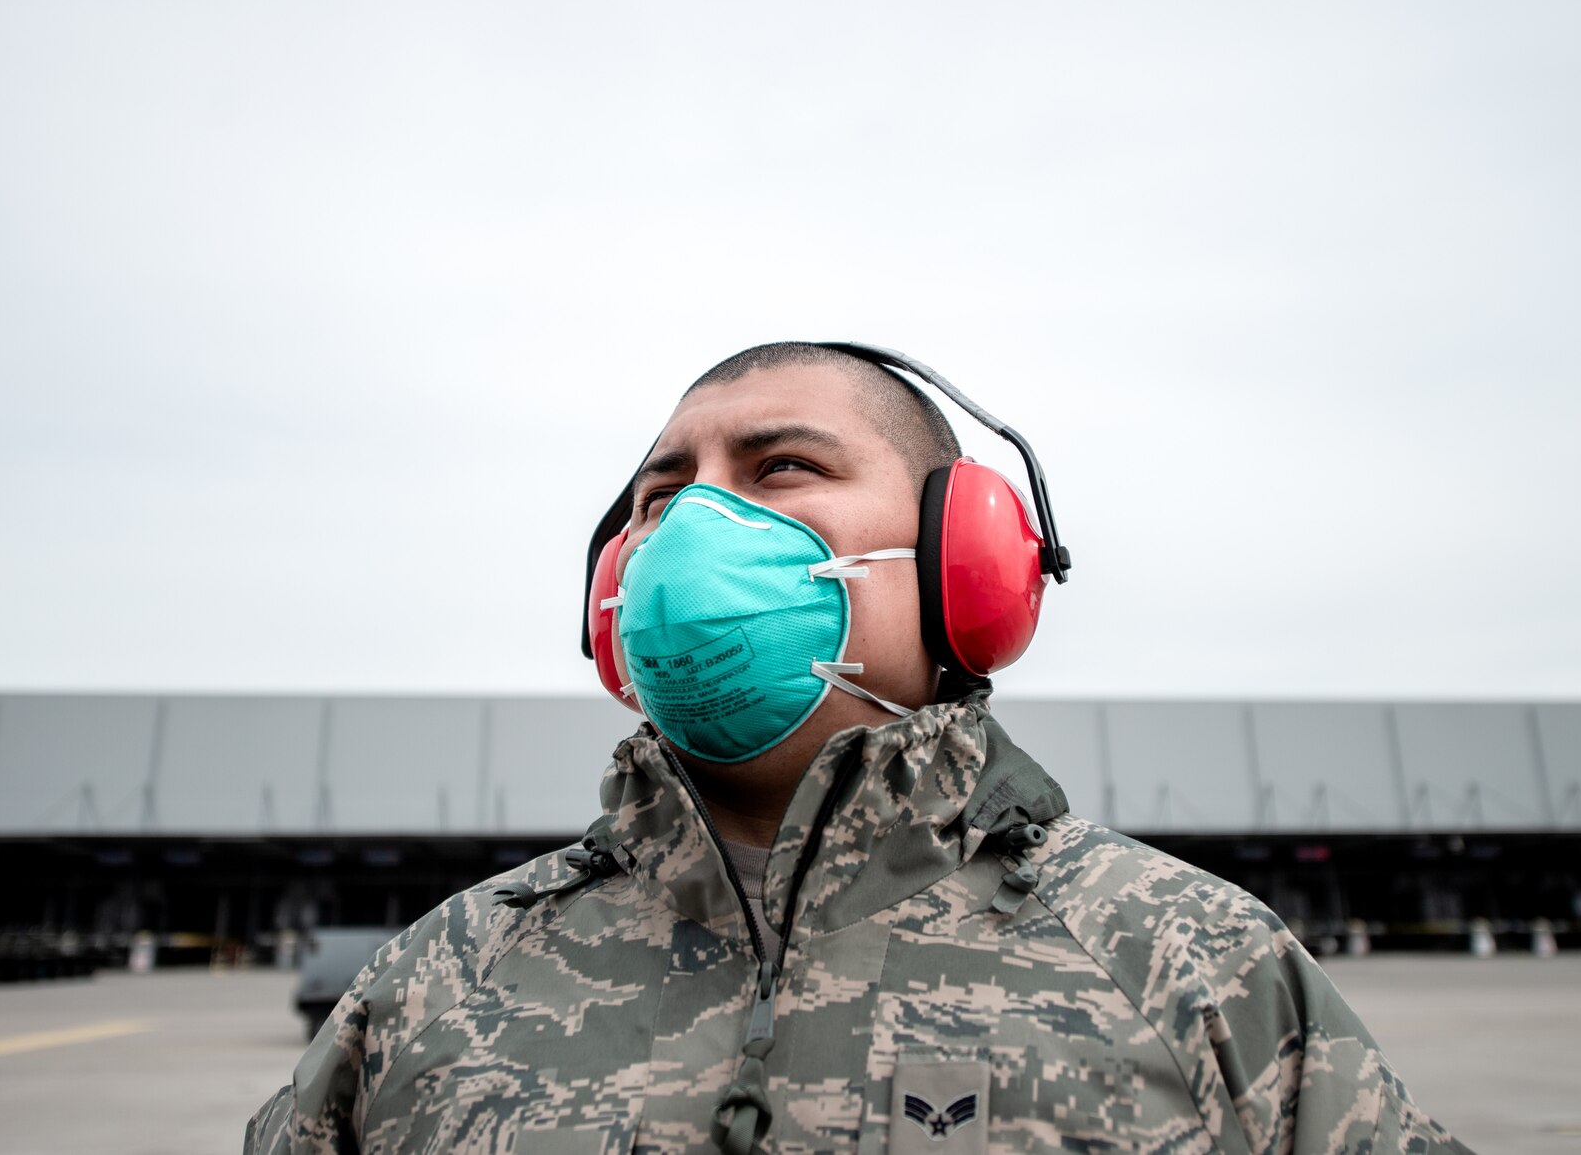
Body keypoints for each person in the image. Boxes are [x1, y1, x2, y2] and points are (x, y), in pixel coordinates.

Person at [246, 342, 1469, 1155]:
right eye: (660, 499)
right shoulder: (441, 976)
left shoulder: (1187, 962)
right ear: (615, 593)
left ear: (966, 562)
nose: (692, 528)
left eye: (780, 468)